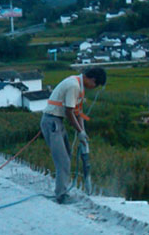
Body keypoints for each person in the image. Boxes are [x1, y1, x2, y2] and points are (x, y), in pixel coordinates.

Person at [40, 67, 106, 204]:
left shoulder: (79, 87)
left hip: (57, 122)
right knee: (63, 161)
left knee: (67, 157)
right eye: (96, 85)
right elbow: (69, 112)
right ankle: (61, 195)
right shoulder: (74, 86)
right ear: (92, 79)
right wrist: (79, 131)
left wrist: (83, 131)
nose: (94, 88)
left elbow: (78, 112)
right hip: (52, 121)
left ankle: (62, 191)